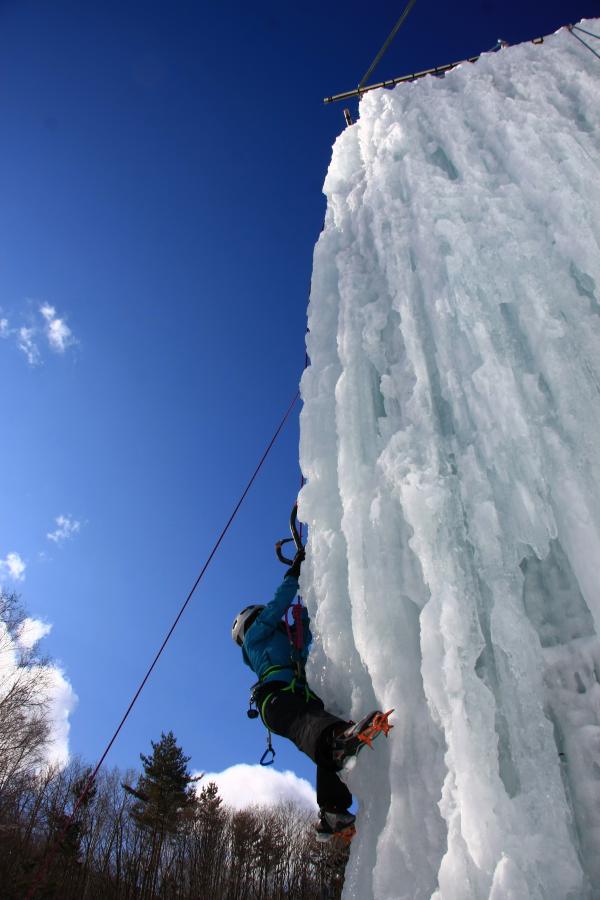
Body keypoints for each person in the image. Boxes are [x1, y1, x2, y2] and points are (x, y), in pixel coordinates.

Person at [232, 548, 389, 841]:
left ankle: (332, 810)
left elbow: (303, 643)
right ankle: (338, 741)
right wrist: (293, 575)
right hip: (276, 699)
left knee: (319, 731)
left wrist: (308, 601)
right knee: (313, 727)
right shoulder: (255, 638)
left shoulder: (284, 644)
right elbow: (275, 608)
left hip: (295, 698)